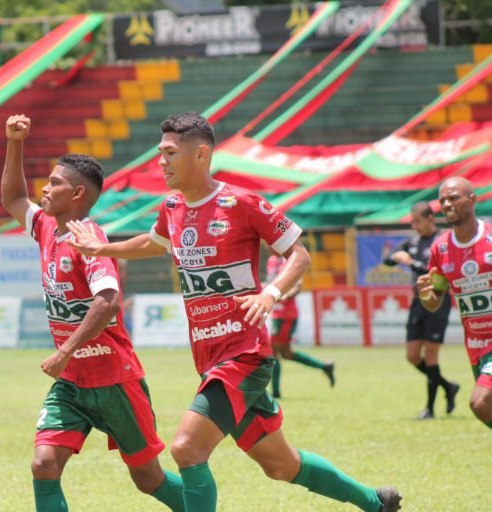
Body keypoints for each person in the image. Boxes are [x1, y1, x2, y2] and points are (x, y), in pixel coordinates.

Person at [68, 112, 402, 511]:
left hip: (244, 355)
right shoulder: (172, 207)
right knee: (282, 465)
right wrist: (102, 249)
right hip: (210, 359)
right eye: (160, 153)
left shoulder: (242, 203)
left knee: (187, 448)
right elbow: (154, 244)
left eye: (170, 153)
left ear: (202, 154)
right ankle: (376, 503)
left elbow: (299, 255)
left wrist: (271, 293)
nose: (161, 161)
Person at [1, 114, 184, 512]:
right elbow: (14, 199)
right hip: (72, 383)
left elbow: (109, 302)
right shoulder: (48, 227)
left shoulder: (90, 239)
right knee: (44, 464)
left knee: (148, 479)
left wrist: (64, 350)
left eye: (55, 184)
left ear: (78, 194)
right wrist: (15, 144)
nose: (45, 190)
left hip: (115, 379)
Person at [417, 177, 492, 431]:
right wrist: (426, 293)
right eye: (443, 200)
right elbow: (433, 302)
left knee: (480, 403)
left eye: (454, 198)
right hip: (476, 346)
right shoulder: (441, 248)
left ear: (472, 199)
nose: (447, 204)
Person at [384, 202, 460, 420]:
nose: (414, 226)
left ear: (430, 218)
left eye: (417, 221)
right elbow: (387, 259)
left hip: (437, 301)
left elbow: (436, 271)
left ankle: (429, 408)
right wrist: (395, 257)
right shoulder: (413, 241)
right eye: (412, 222)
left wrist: (411, 262)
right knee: (412, 355)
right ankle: (448, 386)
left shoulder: (443, 241)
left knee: (431, 354)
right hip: (418, 303)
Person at [265, 251, 335, 399]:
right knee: (286, 353)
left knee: (273, 351)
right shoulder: (271, 260)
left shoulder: (290, 259)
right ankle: (324, 366)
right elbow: (270, 283)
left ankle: (276, 393)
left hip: (287, 314)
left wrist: (283, 296)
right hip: (277, 313)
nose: (267, 246)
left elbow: (297, 286)